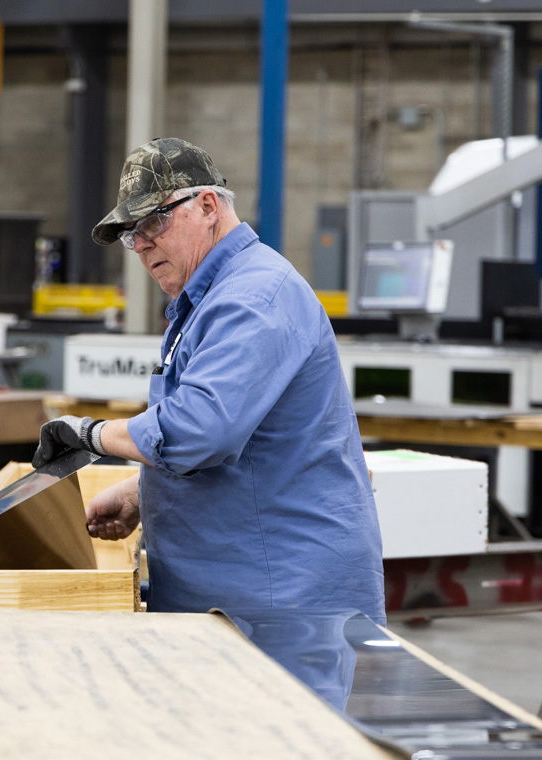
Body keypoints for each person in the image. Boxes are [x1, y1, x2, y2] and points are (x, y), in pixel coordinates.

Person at [33, 138, 385, 624]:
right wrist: (142, 492)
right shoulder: (209, 298)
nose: (142, 244)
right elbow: (250, 444)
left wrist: (91, 435)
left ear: (207, 206)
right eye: (133, 234)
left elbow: (200, 430)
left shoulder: (253, 298)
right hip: (236, 589)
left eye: (154, 221)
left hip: (282, 597)